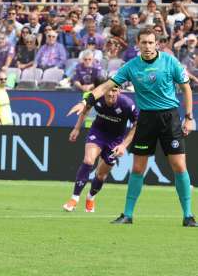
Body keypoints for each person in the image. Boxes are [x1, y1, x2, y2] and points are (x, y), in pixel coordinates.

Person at [68, 27, 197, 227]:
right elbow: (105, 87)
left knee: (179, 166)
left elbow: (186, 89)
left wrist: (188, 117)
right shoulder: (131, 66)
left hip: (169, 118)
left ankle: (188, 215)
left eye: (151, 42)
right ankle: (127, 215)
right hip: (146, 119)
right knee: (137, 168)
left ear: (157, 43)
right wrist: (86, 102)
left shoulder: (170, 61)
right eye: (143, 42)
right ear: (138, 44)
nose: (147, 46)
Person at [63, 86, 138, 212]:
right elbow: (85, 109)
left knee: (101, 175)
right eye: (109, 90)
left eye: (115, 91)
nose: (112, 94)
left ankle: (90, 197)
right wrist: (77, 128)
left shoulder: (126, 104)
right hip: (98, 133)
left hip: (115, 140)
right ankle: (74, 199)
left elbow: (137, 124)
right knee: (88, 161)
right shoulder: (97, 98)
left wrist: (123, 145)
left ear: (119, 91)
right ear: (105, 90)